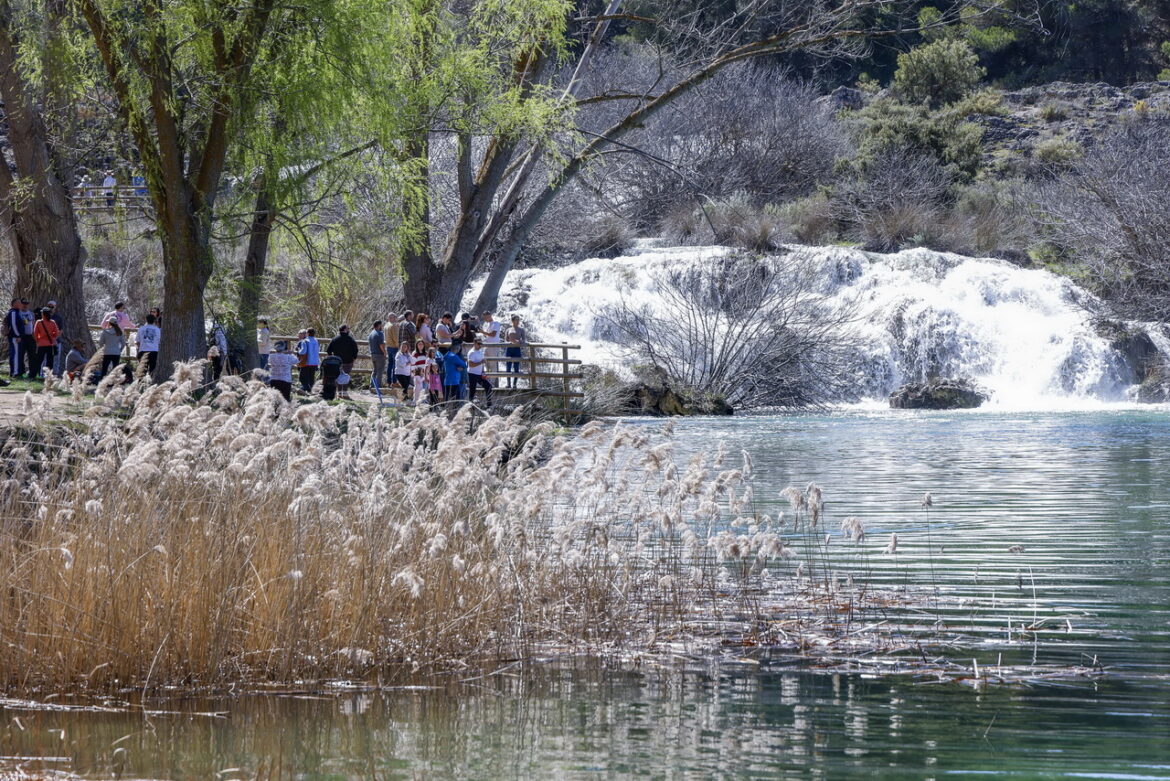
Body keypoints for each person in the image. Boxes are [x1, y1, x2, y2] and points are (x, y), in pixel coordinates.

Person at [326, 324, 359, 399]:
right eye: (348, 329)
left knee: (338, 377)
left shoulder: (334, 339)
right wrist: (353, 358)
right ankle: (344, 392)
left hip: (337, 362)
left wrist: (332, 358)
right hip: (348, 362)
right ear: (344, 330)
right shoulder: (350, 339)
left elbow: (328, 351)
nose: (349, 330)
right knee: (346, 377)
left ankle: (339, 392)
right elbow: (355, 350)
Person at [31, 308, 60, 379]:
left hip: (41, 344)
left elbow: (35, 333)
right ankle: (48, 376)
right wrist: (52, 337)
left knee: (39, 360)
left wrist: (38, 340)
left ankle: (36, 375)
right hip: (50, 344)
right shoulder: (52, 322)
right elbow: (57, 333)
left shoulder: (39, 322)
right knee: (50, 361)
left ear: (43, 314)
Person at [466, 337, 493, 408]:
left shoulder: (480, 351)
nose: (480, 345)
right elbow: (470, 365)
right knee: (472, 391)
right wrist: (481, 362)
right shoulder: (471, 352)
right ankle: (470, 407)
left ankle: (489, 405)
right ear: (474, 343)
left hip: (479, 374)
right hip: (472, 374)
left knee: (489, 386)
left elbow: (482, 363)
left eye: (481, 343)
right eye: (478, 343)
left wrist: (483, 371)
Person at [504, 314, 527, 388]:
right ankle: (508, 384)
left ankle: (514, 384)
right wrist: (510, 342)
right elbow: (505, 340)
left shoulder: (521, 330)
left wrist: (519, 342)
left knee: (516, 367)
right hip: (509, 348)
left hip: (517, 349)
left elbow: (524, 340)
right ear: (512, 321)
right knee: (508, 367)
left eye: (518, 320)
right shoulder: (508, 329)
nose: (518, 321)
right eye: (516, 320)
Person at [5, 299, 23, 378]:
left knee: (16, 354)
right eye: (19, 303)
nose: (21, 304)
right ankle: (14, 373)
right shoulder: (13, 312)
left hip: (16, 337)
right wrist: (17, 335)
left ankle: (15, 371)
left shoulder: (17, 312)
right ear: (14, 304)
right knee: (14, 354)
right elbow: (13, 325)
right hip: (14, 337)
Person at [297, 328, 319, 393]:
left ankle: (305, 388)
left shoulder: (305, 341)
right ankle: (311, 388)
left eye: (306, 332)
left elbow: (303, 351)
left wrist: (298, 350)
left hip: (307, 361)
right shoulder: (316, 340)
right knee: (311, 377)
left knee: (302, 376)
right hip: (314, 362)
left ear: (308, 333)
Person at [17, 298, 35, 378]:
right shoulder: (18, 313)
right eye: (23, 303)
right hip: (22, 336)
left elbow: (33, 323)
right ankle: (21, 372)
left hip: (30, 336)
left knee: (31, 355)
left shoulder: (31, 313)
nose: (25, 305)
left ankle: (32, 373)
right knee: (20, 354)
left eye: (26, 304)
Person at [368, 320, 386, 395]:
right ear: (379, 325)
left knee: (374, 371)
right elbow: (381, 345)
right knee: (380, 372)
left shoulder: (371, 333)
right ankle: (377, 388)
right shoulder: (379, 333)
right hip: (379, 355)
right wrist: (385, 352)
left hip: (373, 354)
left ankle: (371, 385)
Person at [410, 340, 429, 406]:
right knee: (417, 389)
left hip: (425, 373)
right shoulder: (415, 353)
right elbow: (412, 364)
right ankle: (415, 401)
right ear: (417, 345)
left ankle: (423, 401)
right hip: (418, 373)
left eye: (422, 344)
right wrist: (413, 374)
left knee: (425, 388)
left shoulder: (426, 353)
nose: (420, 345)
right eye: (419, 344)